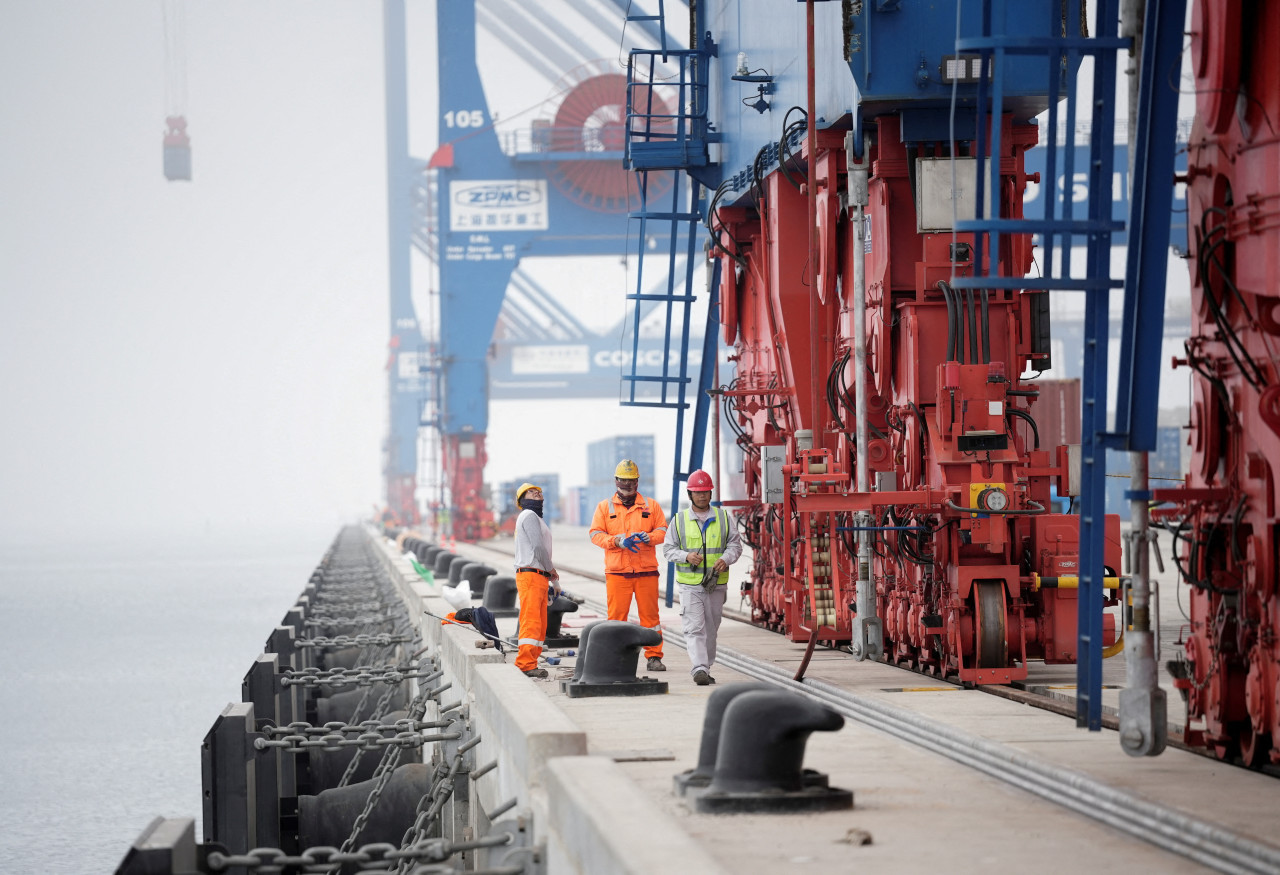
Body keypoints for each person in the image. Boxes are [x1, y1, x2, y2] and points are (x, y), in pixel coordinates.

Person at [661, 469, 741, 685]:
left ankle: (706, 665)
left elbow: (735, 544)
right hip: (690, 585)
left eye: (706, 491)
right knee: (695, 627)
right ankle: (699, 668)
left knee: (711, 628)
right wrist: (686, 556)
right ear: (690, 494)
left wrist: (726, 558)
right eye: (698, 492)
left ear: (711, 493)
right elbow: (668, 550)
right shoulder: (679, 520)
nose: (702, 496)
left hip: (716, 584)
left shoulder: (724, 518)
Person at [589, 459, 669, 671]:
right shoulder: (604, 507)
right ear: (616, 481)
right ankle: (614, 657)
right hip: (618, 573)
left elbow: (663, 531)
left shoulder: (651, 506)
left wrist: (649, 537)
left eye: (631, 480)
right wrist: (617, 541)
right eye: (623, 480)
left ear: (637, 481)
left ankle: (654, 657)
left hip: (646, 572)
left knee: (651, 619)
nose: (627, 484)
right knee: (616, 618)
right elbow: (595, 534)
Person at [513, 482, 559, 679]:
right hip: (531, 574)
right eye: (532, 493)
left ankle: (531, 661)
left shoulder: (536, 518)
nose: (537, 494)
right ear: (523, 500)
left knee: (539, 622)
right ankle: (525, 663)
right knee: (531, 621)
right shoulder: (529, 516)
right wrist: (552, 571)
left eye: (539, 492)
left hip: (537, 575)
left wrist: (550, 577)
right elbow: (538, 549)